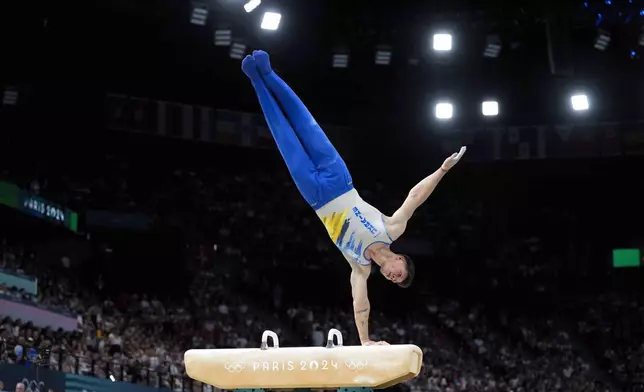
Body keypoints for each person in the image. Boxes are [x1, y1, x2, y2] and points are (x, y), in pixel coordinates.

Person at [241, 50, 466, 345]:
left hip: (316, 196)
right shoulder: (392, 229)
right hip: (339, 178)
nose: (394, 278)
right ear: (400, 259)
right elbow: (414, 197)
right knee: (304, 122)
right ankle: (269, 73)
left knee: (283, 135)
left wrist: (365, 342)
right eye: (400, 274)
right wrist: (441, 170)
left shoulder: (360, 267)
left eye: (394, 281)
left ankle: (256, 80)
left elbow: (361, 305)